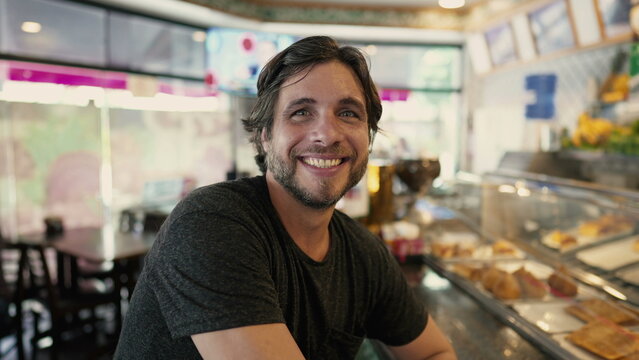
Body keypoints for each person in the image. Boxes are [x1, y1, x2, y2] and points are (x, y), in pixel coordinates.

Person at [114, 35, 456, 360]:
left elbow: (435, 352)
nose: (327, 134)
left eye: (348, 113)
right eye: (301, 112)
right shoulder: (211, 223)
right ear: (264, 136)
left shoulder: (365, 255)